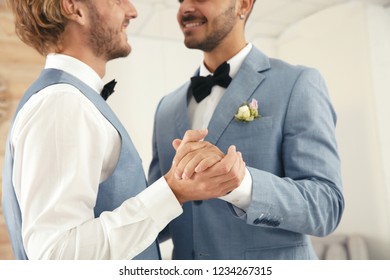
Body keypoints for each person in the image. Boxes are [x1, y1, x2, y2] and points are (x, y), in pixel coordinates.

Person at [1, 0, 246, 260]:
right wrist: (173, 190)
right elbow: (57, 256)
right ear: (73, 7)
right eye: (117, 0)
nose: (132, 11)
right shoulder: (63, 102)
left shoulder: (70, 100)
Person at [148, 0, 345, 259]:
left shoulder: (298, 83)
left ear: (243, 4)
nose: (185, 8)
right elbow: (155, 217)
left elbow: (326, 206)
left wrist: (241, 184)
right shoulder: (165, 108)